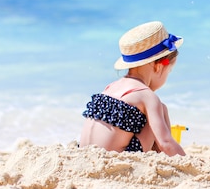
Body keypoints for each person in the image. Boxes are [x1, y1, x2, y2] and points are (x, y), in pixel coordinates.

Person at [80, 21, 186, 156]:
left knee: (146, 114)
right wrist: (190, 164)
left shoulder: (110, 87)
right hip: (116, 162)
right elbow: (165, 143)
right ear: (158, 67)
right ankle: (166, 159)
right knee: (160, 109)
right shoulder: (146, 95)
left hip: (84, 154)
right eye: (168, 71)